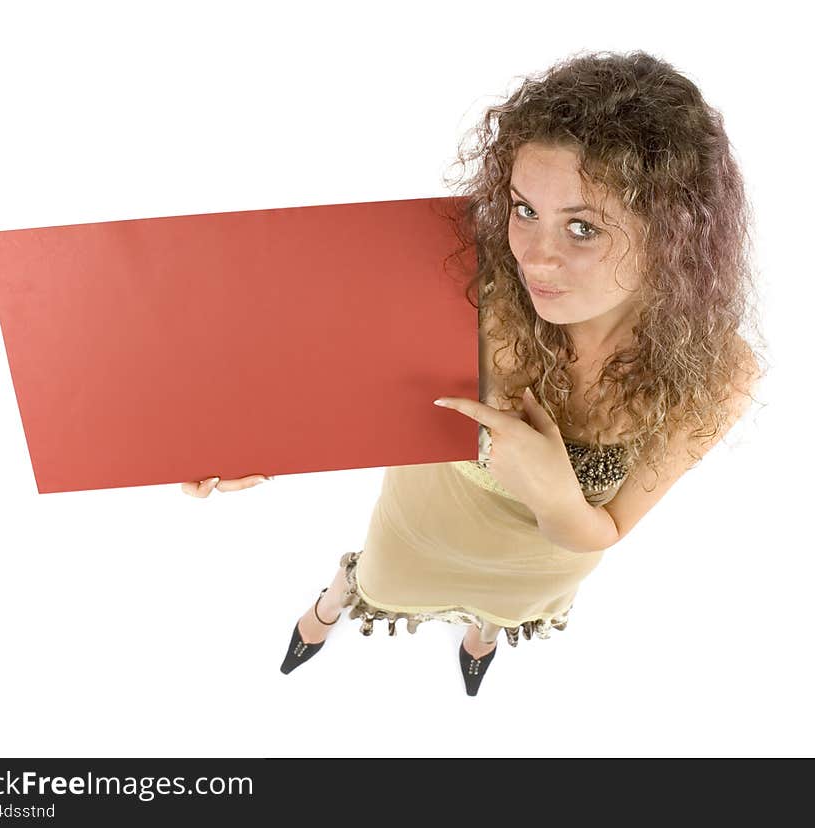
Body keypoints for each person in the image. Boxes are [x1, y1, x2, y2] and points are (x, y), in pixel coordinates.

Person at [182, 50, 764, 696]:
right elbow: (326, 376)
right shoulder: (468, 285)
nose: (535, 257)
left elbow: (608, 530)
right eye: (524, 211)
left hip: (540, 566)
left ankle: (486, 630)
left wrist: (554, 494)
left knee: (499, 614)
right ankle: (337, 596)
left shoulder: (717, 371)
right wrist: (252, 435)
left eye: (581, 227)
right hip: (423, 526)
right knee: (377, 575)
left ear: (671, 236)